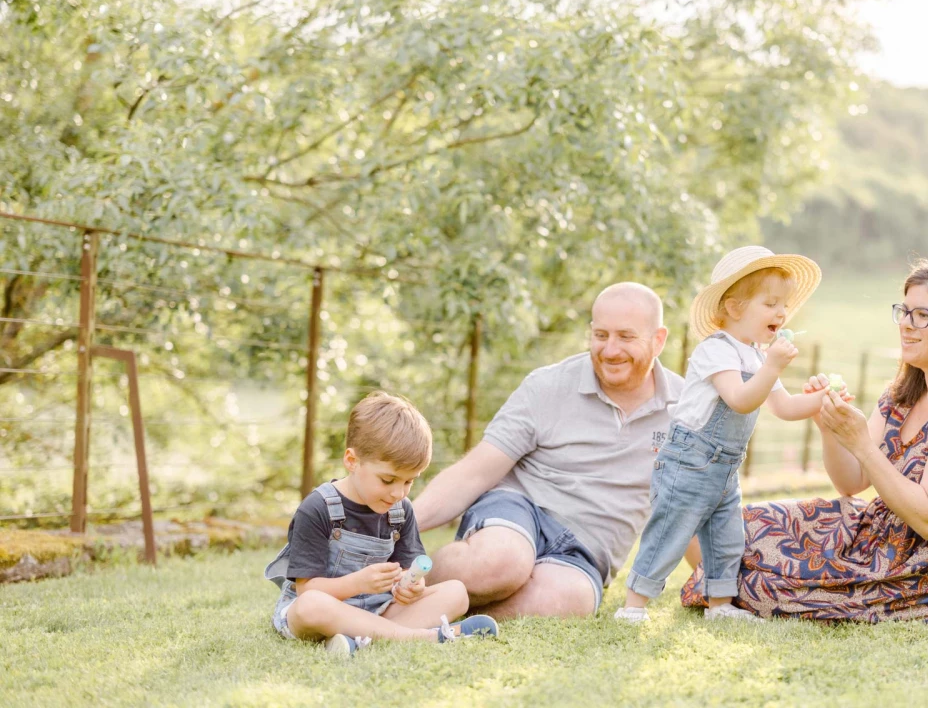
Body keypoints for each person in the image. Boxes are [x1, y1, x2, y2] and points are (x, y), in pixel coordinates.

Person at [680, 261, 928, 621]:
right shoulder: (903, 395)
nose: (906, 324)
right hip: (876, 536)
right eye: (904, 312)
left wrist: (861, 443)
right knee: (716, 525)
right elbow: (852, 482)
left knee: (763, 586)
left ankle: (729, 589)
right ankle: (724, 587)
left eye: (923, 315)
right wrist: (828, 425)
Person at [413, 283, 684, 618]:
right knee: (500, 563)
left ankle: (432, 611)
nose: (610, 350)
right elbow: (476, 471)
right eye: (601, 335)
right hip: (519, 508)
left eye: (626, 337)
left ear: (658, 339)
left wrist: (722, 587)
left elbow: (695, 503)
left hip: (586, 550)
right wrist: (397, 525)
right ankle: (397, 587)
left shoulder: (685, 411)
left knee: (567, 600)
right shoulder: (548, 385)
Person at [616, 246, 833, 623]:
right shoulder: (716, 350)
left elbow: (782, 408)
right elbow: (740, 400)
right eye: (770, 303)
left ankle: (720, 606)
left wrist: (820, 399)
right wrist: (773, 367)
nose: (781, 313)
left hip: (724, 467)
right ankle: (634, 606)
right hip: (690, 461)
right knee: (671, 530)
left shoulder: (756, 356)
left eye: (783, 305)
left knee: (726, 537)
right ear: (734, 308)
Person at [264, 392, 500, 655]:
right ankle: (423, 638)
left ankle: (359, 641)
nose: (398, 493)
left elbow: (412, 570)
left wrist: (412, 586)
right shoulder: (318, 508)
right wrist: (359, 583)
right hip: (321, 611)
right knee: (311, 605)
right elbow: (307, 589)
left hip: (377, 608)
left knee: (456, 593)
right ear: (352, 461)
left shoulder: (400, 511)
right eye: (388, 480)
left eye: (409, 481)